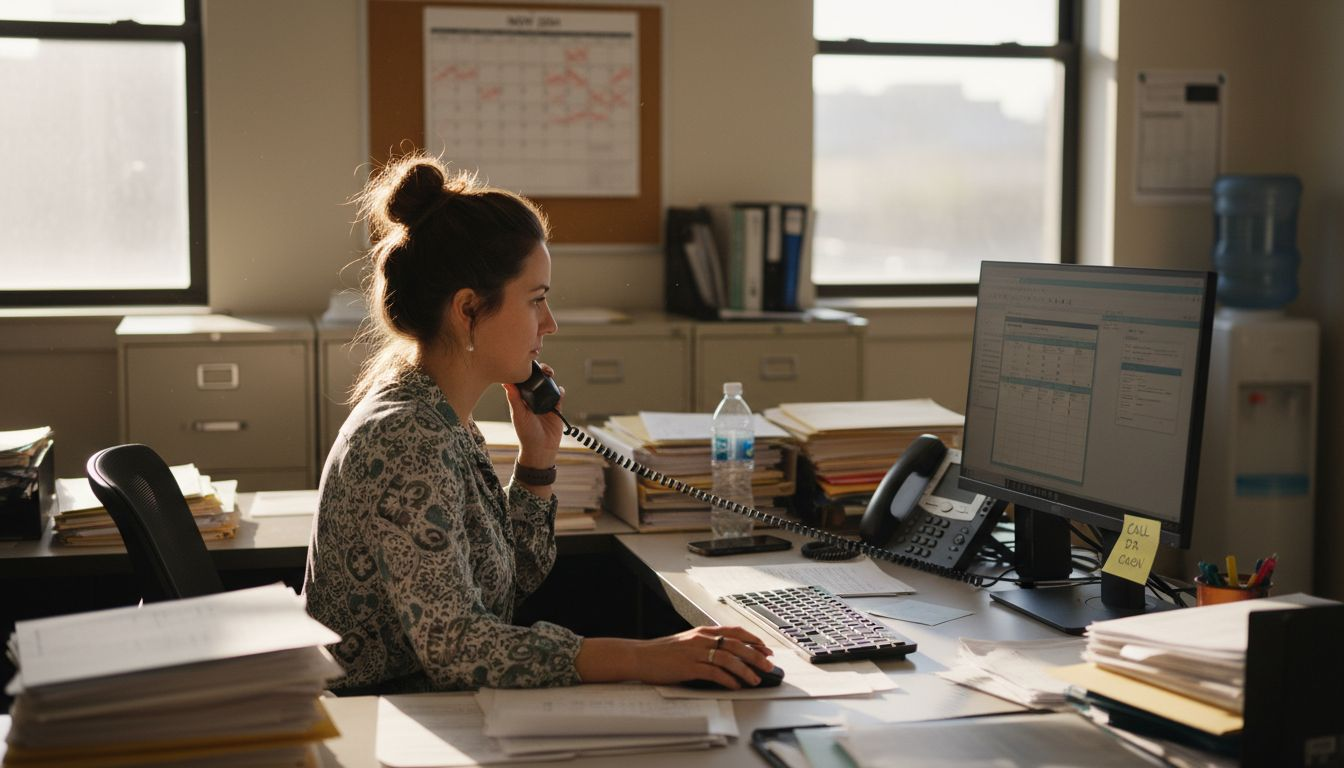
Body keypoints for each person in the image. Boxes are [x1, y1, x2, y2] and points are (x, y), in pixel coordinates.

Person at [303, 154, 773, 694]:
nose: (549, 323)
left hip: (426, 702)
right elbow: (458, 647)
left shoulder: (437, 413)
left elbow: (502, 586)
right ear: (468, 310)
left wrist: (537, 463)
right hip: (385, 715)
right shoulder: (408, 436)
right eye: (536, 300)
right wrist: (644, 657)